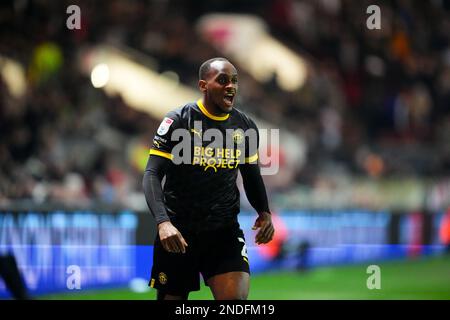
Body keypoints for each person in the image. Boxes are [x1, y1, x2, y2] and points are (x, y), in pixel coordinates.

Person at [142, 57, 274, 300]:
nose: (231, 86)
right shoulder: (178, 120)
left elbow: (252, 176)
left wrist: (264, 212)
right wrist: (163, 222)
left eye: (234, 81)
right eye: (222, 80)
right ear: (203, 85)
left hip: (223, 232)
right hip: (178, 233)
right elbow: (151, 174)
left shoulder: (245, 127)